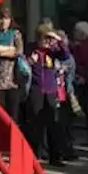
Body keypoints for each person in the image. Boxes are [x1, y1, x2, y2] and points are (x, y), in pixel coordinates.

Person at [23, 23, 71, 166]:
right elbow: (22, 64)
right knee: (35, 124)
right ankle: (34, 155)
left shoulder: (52, 51)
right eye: (45, 38)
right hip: (36, 90)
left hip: (50, 91)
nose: (47, 42)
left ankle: (55, 157)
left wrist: (58, 39)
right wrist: (30, 61)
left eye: (48, 39)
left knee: (53, 125)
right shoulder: (31, 49)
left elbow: (65, 55)